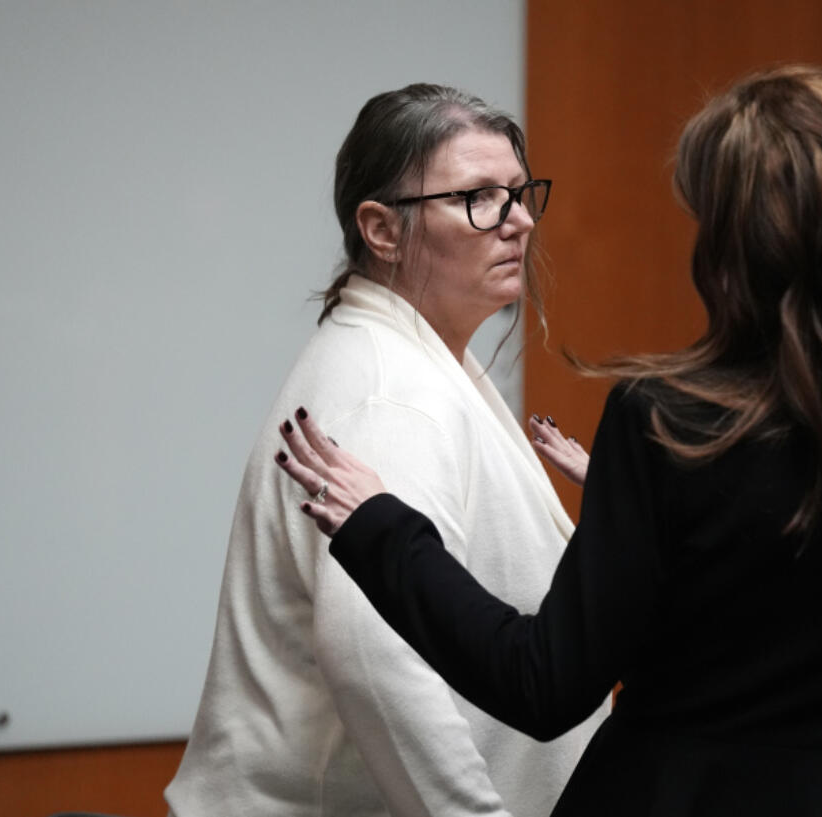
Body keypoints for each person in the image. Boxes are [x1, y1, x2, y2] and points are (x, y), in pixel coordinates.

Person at [273, 66, 822, 816]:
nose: (518, 221)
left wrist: (383, 527)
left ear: (744, 246)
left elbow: (545, 684)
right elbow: (809, 621)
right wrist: (662, 520)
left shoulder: (670, 424)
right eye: (477, 198)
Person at [165, 84, 607, 817]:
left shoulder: (415, 361)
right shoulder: (389, 394)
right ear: (382, 229)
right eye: (479, 197)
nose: (520, 220)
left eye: (522, 193)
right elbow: (376, 658)